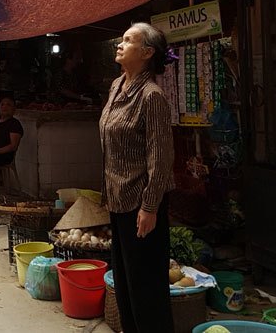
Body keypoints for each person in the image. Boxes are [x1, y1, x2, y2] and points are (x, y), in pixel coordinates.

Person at [99, 22, 174, 333]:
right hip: (118, 199)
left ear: (146, 53)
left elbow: (161, 156)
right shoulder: (117, 87)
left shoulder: (151, 95)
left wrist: (150, 206)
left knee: (146, 286)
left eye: (128, 40)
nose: (120, 43)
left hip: (142, 203)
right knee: (125, 281)